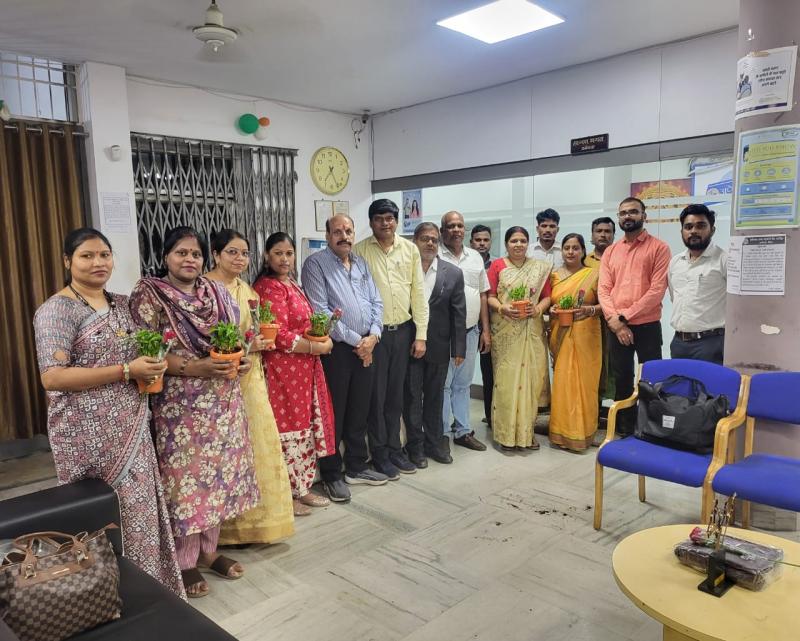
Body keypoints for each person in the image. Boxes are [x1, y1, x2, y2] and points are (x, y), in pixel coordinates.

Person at [33, 228, 184, 598]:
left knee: (140, 513)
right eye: (87, 255)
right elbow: (52, 376)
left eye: (104, 254)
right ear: (68, 261)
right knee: (98, 519)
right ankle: (100, 597)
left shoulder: (122, 303)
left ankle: (150, 595)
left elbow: (142, 351)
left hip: (131, 431)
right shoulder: (56, 310)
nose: (98, 263)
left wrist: (150, 367)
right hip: (83, 437)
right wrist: (126, 371)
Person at [129, 226, 259, 598]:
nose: (189, 260)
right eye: (181, 252)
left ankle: (209, 550)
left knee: (217, 477)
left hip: (223, 401)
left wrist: (240, 360)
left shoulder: (216, 291)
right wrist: (194, 368)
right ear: (165, 256)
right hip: (179, 406)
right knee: (184, 482)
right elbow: (146, 350)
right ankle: (183, 560)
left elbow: (234, 339)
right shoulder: (150, 293)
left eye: (196, 254)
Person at [205, 229, 295, 545]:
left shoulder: (248, 290)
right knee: (222, 450)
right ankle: (224, 532)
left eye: (244, 253)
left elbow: (256, 331)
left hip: (250, 375)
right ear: (215, 254)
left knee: (258, 442)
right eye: (232, 252)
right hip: (214, 379)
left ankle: (259, 523)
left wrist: (254, 343)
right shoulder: (203, 290)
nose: (239, 258)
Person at [301, 214, 389, 503]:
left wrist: (373, 336)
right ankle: (332, 474)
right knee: (334, 413)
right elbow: (321, 312)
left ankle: (356, 465)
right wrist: (357, 341)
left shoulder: (361, 263)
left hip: (367, 346)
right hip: (337, 349)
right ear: (327, 236)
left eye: (348, 231)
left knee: (359, 409)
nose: (344, 236)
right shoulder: (315, 264)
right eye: (337, 231)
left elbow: (376, 302)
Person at [254, 232, 336, 515]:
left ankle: (302, 488)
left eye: (289, 253)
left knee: (304, 428)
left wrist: (321, 335)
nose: (284, 259)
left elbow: (303, 325)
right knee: (287, 430)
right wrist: (316, 346)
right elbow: (278, 336)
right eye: (278, 253)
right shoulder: (269, 287)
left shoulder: (292, 284)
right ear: (267, 256)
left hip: (303, 370)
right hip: (282, 370)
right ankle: (287, 494)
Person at [353, 199, 429, 480]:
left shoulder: (409, 249)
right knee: (377, 396)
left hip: (404, 331)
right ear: (371, 222)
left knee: (397, 396)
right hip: (376, 336)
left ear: (397, 221)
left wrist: (420, 335)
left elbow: (418, 294)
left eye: (390, 218)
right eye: (379, 218)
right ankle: (381, 454)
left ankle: (396, 450)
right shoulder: (360, 251)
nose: (385, 223)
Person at [598, 197, 671, 435]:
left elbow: (656, 291)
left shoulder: (659, 248)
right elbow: (604, 290)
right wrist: (617, 324)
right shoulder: (611, 251)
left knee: (652, 379)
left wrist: (623, 318)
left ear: (643, 215)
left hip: (647, 325)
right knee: (622, 379)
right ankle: (624, 428)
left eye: (633, 212)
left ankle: (650, 429)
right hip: (616, 326)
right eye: (623, 213)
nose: (627, 216)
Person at [403, 223, 466, 467]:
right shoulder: (405, 269)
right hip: (409, 345)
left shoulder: (452, 273)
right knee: (411, 398)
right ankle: (415, 448)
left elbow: (458, 313)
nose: (430, 243)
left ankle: (434, 443)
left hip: (439, 346)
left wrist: (458, 348)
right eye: (424, 239)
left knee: (435, 398)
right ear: (415, 241)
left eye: (434, 240)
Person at [487, 226, 552, 450]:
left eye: (522, 241)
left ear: (528, 243)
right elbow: (490, 296)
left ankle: (526, 434)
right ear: (506, 244)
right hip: (505, 332)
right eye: (514, 241)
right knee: (506, 384)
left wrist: (538, 309)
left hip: (532, 330)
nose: (518, 245)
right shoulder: (497, 266)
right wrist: (503, 308)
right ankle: (505, 435)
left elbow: (547, 297)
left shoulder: (539, 268)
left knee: (532, 383)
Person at [439, 211, 490, 452]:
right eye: (451, 226)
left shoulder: (476, 257)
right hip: (443, 334)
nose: (456, 229)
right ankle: (442, 434)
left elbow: (482, 294)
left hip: (470, 332)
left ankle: (462, 430)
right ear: (443, 231)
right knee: (444, 384)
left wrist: (485, 331)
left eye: (460, 225)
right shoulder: (435, 254)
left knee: (463, 384)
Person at [548, 233, 602, 451]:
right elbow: (549, 304)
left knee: (585, 386)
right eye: (566, 248)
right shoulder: (554, 276)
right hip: (560, 333)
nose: (570, 252)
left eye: (575, 248)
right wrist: (551, 310)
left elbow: (606, 304)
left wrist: (590, 309)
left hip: (588, 335)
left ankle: (584, 434)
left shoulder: (594, 274)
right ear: (561, 251)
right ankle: (562, 434)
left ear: (582, 251)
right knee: (562, 383)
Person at [668, 204, 727, 364]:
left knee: (710, 389)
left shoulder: (724, 260)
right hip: (679, 343)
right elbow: (676, 297)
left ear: (712, 230)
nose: (693, 231)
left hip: (711, 344)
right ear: (682, 232)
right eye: (688, 226)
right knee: (679, 388)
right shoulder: (676, 262)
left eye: (701, 225)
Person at [585, 217, 617, 427]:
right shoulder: (584, 261)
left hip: (615, 322)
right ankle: (591, 413)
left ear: (614, 234)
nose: (603, 235)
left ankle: (616, 416)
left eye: (607, 231)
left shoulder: (619, 257)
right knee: (592, 366)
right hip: (588, 323)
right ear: (592, 234)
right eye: (599, 231)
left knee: (614, 366)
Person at [470, 224, 494, 428]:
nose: (482, 243)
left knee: (490, 372)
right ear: (471, 242)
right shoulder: (468, 263)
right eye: (478, 240)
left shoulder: (496, 267)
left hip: (490, 326)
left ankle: (491, 415)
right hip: (467, 326)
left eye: (485, 240)